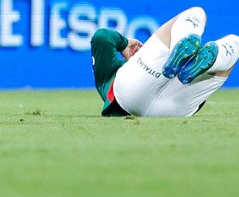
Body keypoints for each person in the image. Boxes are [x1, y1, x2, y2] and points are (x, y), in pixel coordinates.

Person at [90, 7, 238, 117]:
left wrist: (123, 45)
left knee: (234, 42)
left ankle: (183, 54)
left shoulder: (107, 79)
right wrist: (124, 43)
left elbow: (101, 37)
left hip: (131, 98)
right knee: (197, 14)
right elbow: (102, 37)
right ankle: (199, 56)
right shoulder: (120, 68)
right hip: (176, 106)